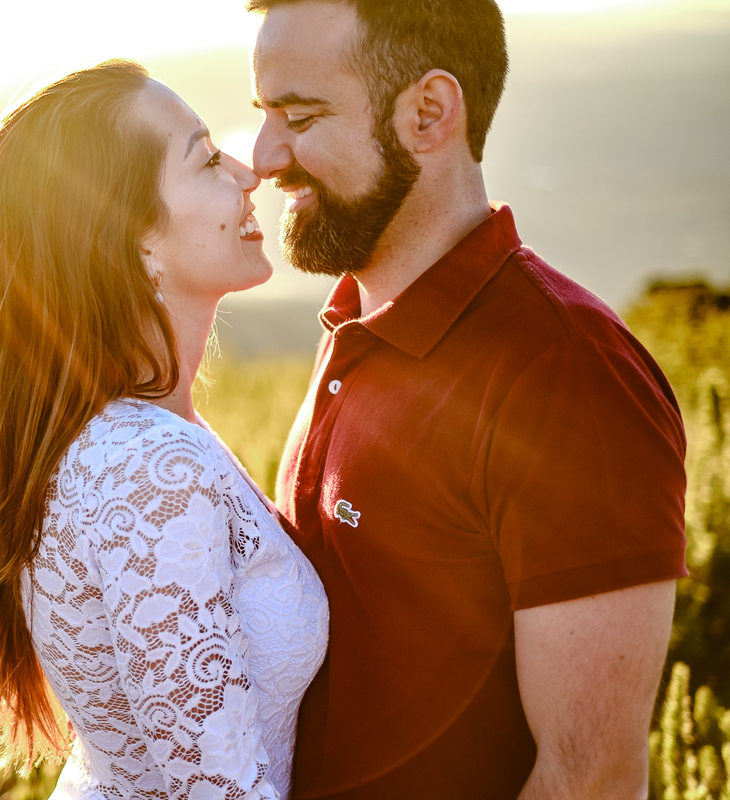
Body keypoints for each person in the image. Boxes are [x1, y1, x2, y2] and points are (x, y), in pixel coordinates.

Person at [247, 1, 688, 798]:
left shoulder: (568, 375)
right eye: (264, 115)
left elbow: (590, 779)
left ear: (428, 113)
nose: (264, 154)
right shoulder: (357, 314)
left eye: (300, 116)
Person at [0, 60, 329, 800]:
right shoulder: (147, 468)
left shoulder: (131, 437)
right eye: (207, 159)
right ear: (135, 241)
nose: (248, 174)